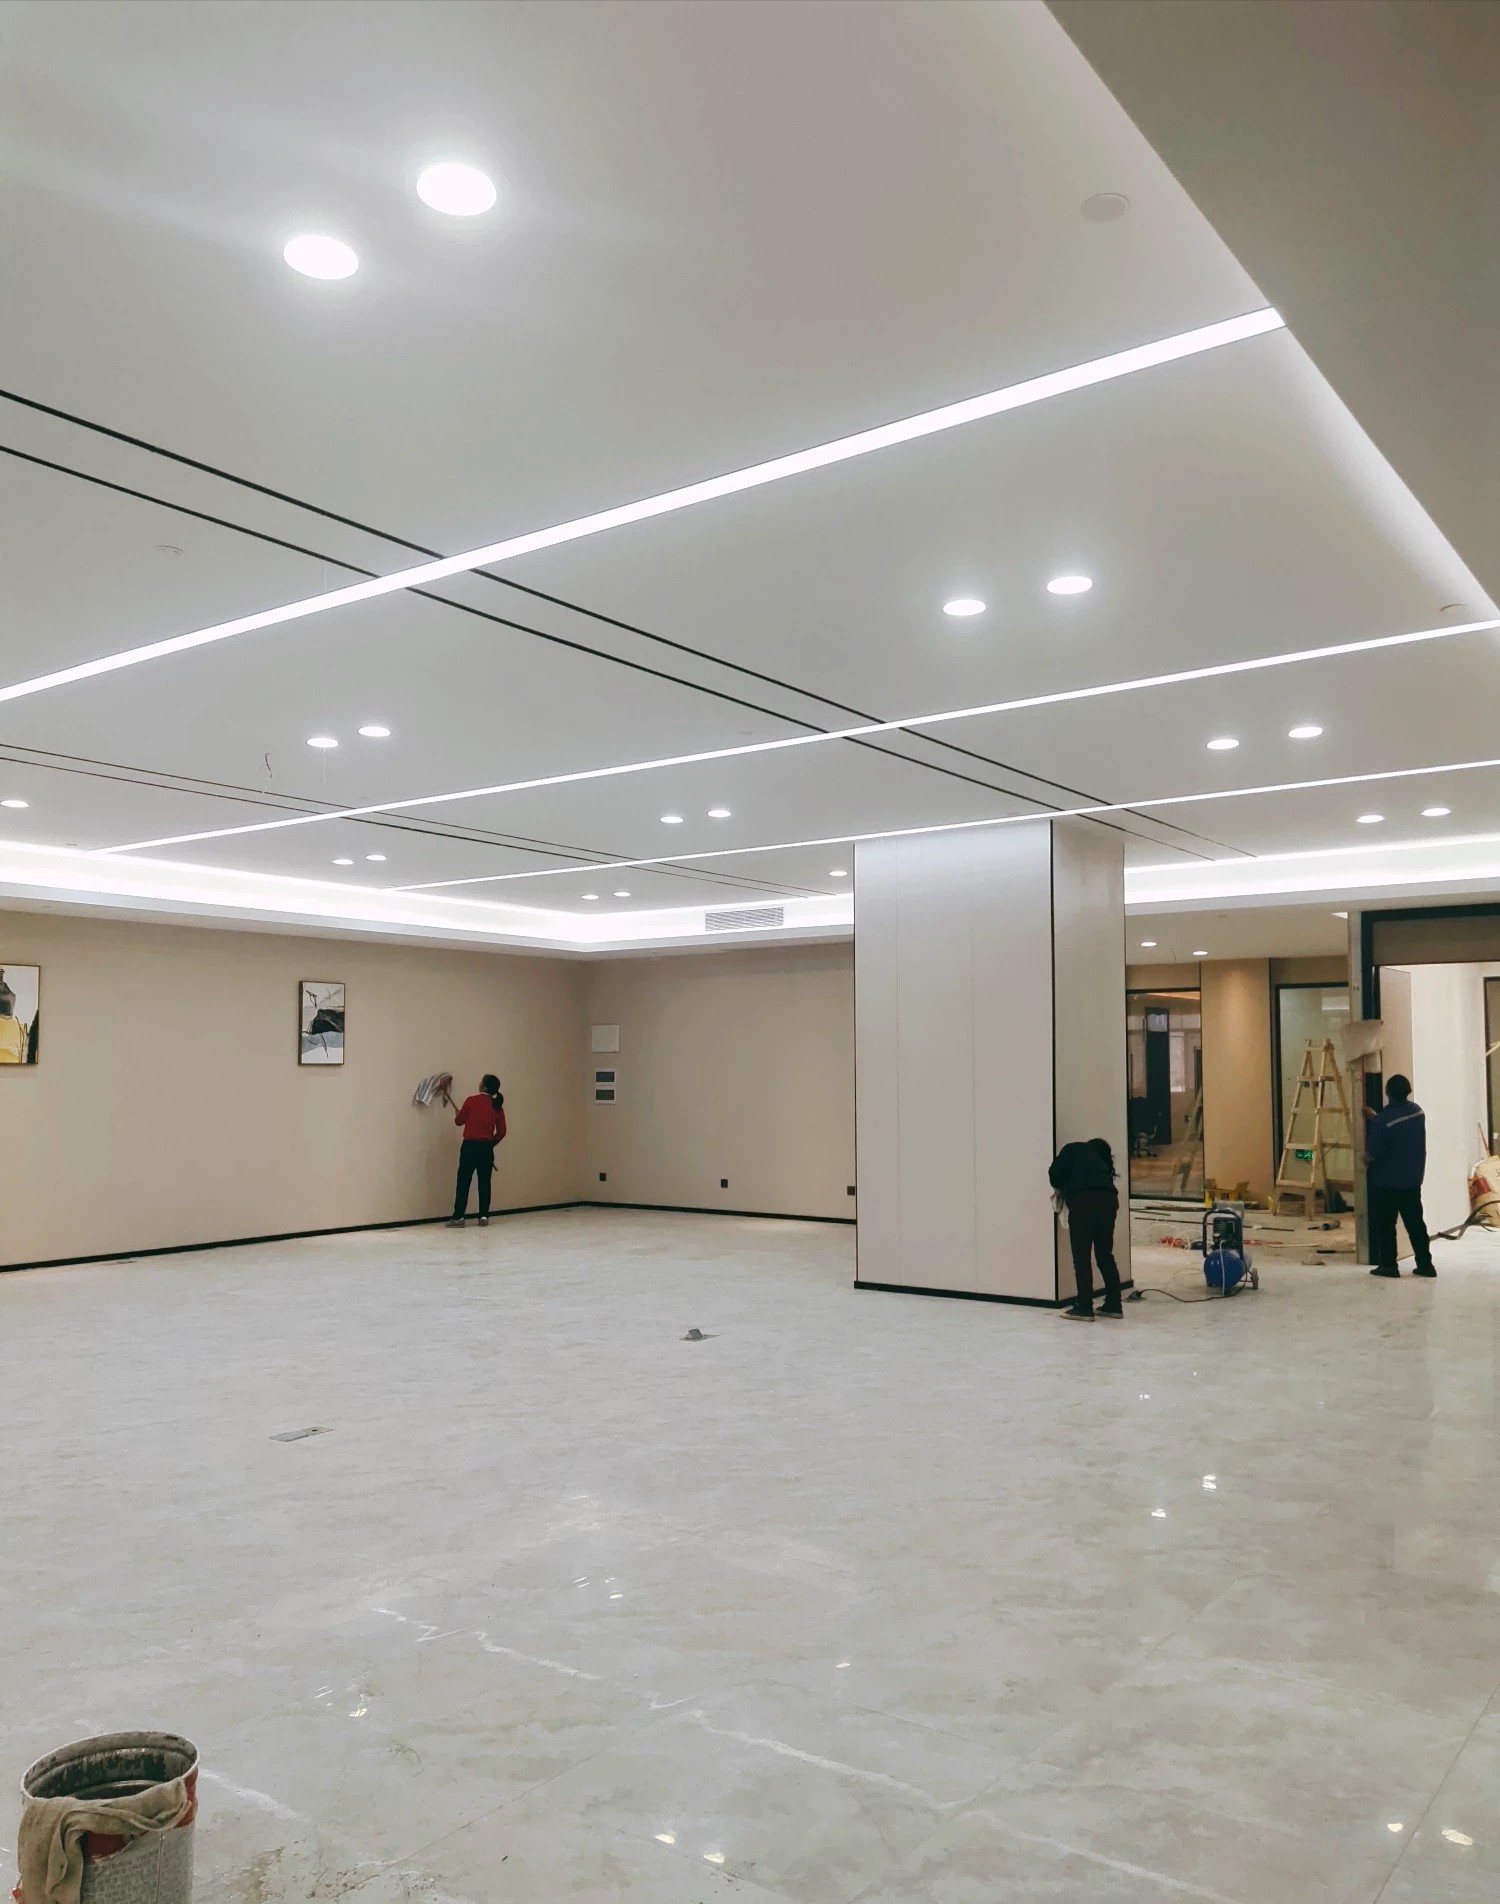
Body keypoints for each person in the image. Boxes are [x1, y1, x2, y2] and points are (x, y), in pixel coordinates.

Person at [1366, 1073, 1434, 1278]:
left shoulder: (1383, 1121)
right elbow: (1398, 1129)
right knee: (1416, 1224)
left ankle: (1388, 1266)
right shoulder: (1417, 1112)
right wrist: (1376, 1118)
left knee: (1386, 1225)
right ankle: (1425, 1265)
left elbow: (1373, 1153)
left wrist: (1364, 1157)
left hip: (1387, 1182)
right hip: (1412, 1179)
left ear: (1387, 1092)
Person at [1050, 1136, 1123, 1319]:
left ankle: (1084, 1307)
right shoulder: (1101, 1163)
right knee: (1105, 1255)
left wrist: (1062, 1186)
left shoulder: (1072, 1149)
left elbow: (1054, 1173)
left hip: (1084, 1203)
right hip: (1109, 1201)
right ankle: (1114, 1305)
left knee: (1081, 1257)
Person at [446, 1073, 506, 1227]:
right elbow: (502, 1132)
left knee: (464, 1181)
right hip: (486, 1148)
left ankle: (459, 1217)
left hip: (469, 1146)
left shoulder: (471, 1101)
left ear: (484, 1086)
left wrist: (459, 1114)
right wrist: (490, 1144)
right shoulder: (497, 1106)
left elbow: (459, 1121)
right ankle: (484, 1216)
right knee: (484, 1182)